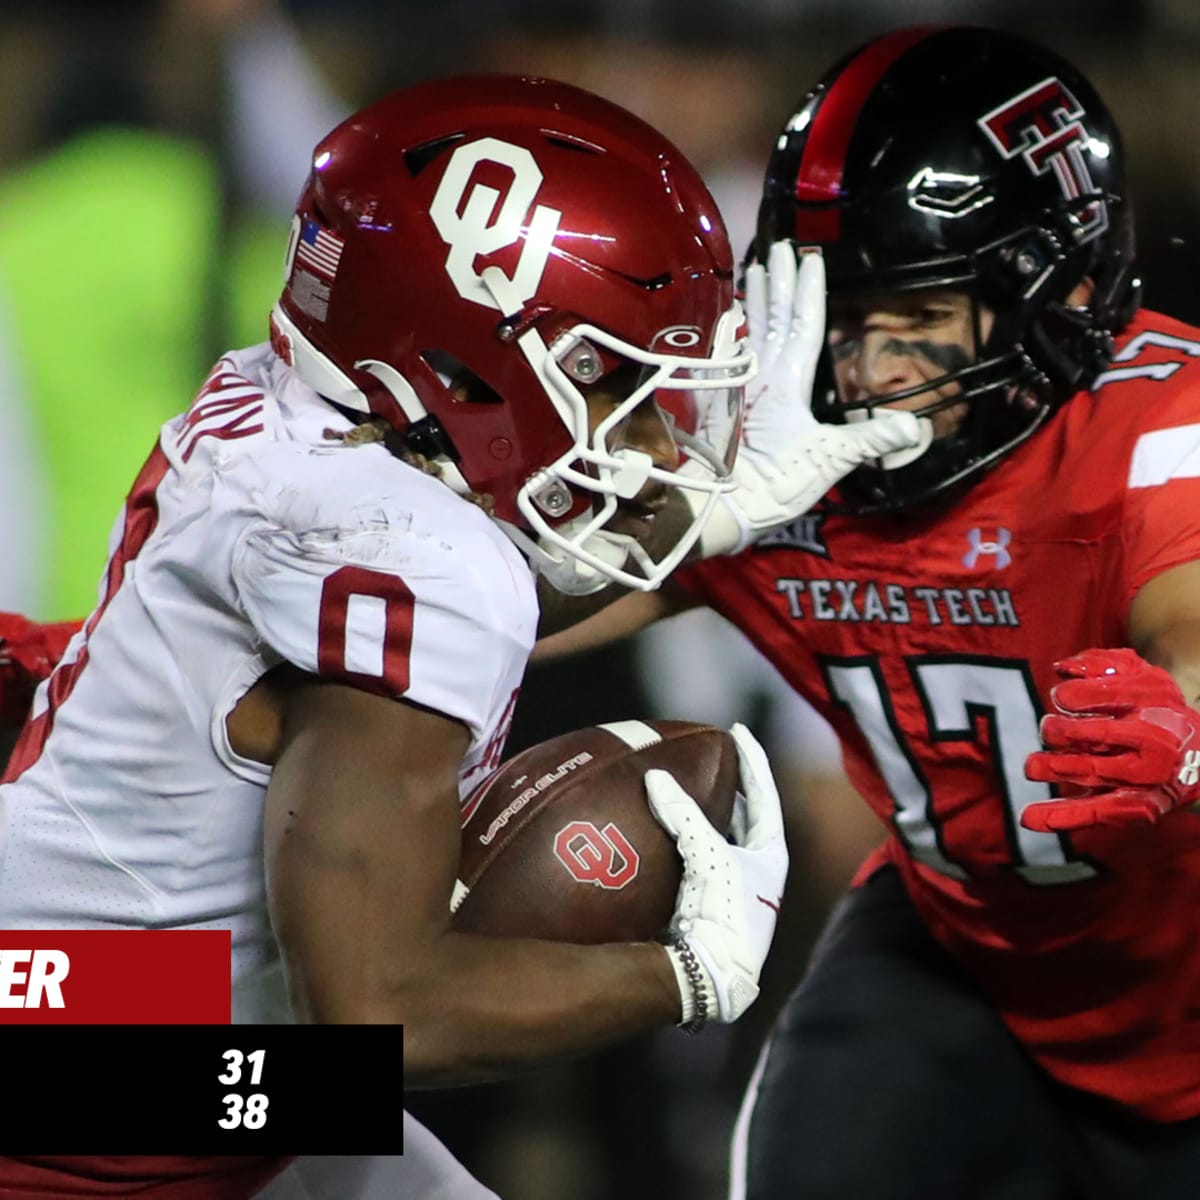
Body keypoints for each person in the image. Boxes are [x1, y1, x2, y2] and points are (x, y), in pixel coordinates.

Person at [0, 74, 803, 1199]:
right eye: (607, 374)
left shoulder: (303, 414)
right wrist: (684, 974)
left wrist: (708, 522)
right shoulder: (413, 556)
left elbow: (454, 605)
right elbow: (377, 1019)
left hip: (69, 988)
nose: (659, 441)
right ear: (475, 351)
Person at [535, 24, 1200, 1199]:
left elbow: (1189, 621)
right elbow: (473, 623)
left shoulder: (1156, 427)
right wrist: (700, 516)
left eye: (917, 317)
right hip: (960, 948)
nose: (864, 371)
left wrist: (1186, 729)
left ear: (1066, 296)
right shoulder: (771, 433)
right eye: (837, 312)